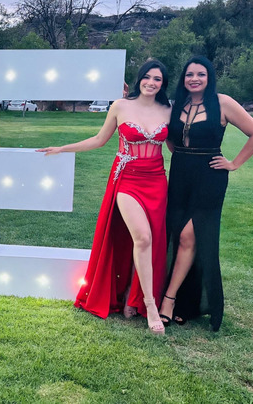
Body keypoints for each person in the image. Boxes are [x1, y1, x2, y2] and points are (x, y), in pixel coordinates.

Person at [38, 60, 172, 335]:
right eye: (147, 77)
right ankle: (150, 306)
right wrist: (63, 148)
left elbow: (175, 146)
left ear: (163, 83)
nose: (151, 83)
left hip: (157, 180)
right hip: (127, 179)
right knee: (142, 238)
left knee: (151, 241)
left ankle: (131, 295)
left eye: (157, 79)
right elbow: (99, 140)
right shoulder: (120, 106)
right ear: (139, 79)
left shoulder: (168, 110)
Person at [158, 55, 253, 332]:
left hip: (210, 177)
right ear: (183, 78)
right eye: (189, 74)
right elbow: (169, 138)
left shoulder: (223, 102)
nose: (194, 79)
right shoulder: (176, 105)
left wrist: (234, 163)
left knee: (189, 236)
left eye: (201, 74)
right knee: (177, 236)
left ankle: (169, 300)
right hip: (180, 176)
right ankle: (188, 303)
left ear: (209, 77)